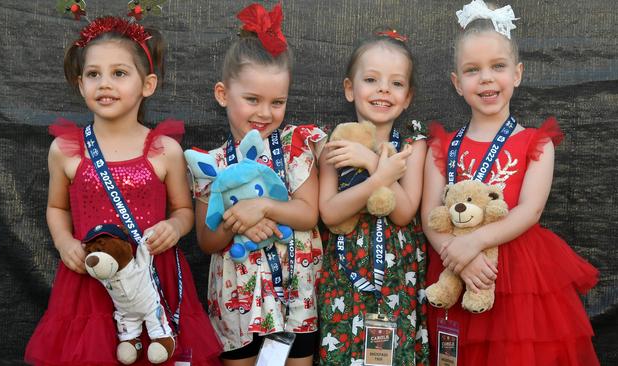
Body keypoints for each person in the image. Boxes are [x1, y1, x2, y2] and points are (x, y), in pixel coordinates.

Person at [25, 15, 222, 366]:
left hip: (152, 277)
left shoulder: (164, 149)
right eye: (93, 74)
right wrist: (64, 242)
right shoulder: (66, 150)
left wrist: (174, 227)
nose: (104, 84)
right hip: (90, 284)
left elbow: (184, 210)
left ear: (147, 84)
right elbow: (57, 208)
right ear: (80, 83)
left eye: (119, 73)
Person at [422, 1, 600, 365]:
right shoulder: (441, 146)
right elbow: (430, 215)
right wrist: (458, 259)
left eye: (498, 66)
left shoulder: (537, 142)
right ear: (457, 83)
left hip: (518, 280)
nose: (486, 78)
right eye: (472, 70)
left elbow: (530, 210)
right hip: (456, 272)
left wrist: (473, 243)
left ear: (517, 73)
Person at [188, 3, 326, 366]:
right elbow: (207, 241)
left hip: (297, 300)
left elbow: (308, 213)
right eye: (252, 99)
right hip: (239, 304)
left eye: (277, 102)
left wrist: (262, 206)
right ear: (223, 94)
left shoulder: (295, 146)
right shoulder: (210, 164)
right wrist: (239, 219)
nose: (265, 113)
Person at [317, 29, 429, 365]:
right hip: (345, 277)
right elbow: (329, 213)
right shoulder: (332, 145)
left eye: (396, 83)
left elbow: (405, 211)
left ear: (407, 97)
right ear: (350, 89)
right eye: (371, 79)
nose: (383, 90)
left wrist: (370, 161)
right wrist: (378, 179)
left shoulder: (414, 147)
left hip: (398, 279)